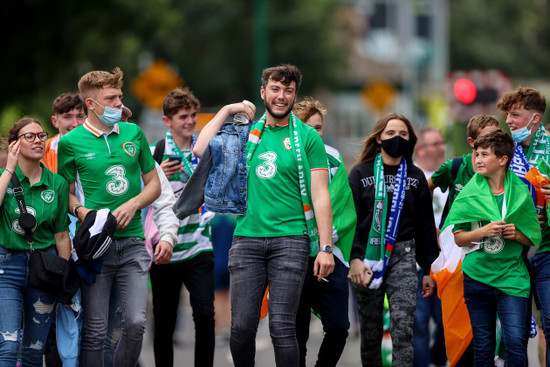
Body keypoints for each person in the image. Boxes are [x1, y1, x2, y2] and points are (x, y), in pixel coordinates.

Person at [193, 64, 334, 367]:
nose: (281, 96)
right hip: (246, 240)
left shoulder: (309, 138)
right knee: (242, 328)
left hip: (291, 241)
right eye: (275, 88)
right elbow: (201, 148)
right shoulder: (244, 134)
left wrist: (325, 248)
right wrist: (229, 109)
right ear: (263, 92)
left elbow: (321, 194)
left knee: (282, 327)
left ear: (294, 96)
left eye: (288, 90)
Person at [57, 67, 162, 367]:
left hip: (132, 244)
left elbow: (154, 184)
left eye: (119, 96)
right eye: (111, 98)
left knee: (135, 323)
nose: (119, 103)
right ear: (91, 104)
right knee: (96, 331)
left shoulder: (134, 133)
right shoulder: (71, 143)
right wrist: (81, 211)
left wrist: (134, 204)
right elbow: (65, 192)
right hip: (96, 247)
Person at [348, 113, 439, 367]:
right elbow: (349, 221)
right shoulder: (359, 173)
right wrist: (354, 258)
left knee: (403, 330)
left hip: (404, 256)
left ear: (410, 141)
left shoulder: (415, 176)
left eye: (403, 134)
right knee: (371, 330)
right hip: (367, 257)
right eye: (390, 134)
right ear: (378, 138)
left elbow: (424, 225)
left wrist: (429, 268)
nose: (396, 139)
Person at [445, 130, 541, 366]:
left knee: (516, 343)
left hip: (512, 278)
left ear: (503, 160)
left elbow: (532, 237)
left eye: (484, 154)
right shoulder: (469, 192)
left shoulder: (520, 191)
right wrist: (482, 232)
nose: (477, 159)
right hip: (477, 278)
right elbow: (459, 238)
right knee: (483, 345)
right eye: (476, 154)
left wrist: (516, 234)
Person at [148, 87, 215, 367]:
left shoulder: (206, 150)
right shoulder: (154, 153)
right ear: (167, 121)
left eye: (193, 115)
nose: (189, 121)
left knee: (204, 315)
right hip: (166, 249)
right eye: (182, 116)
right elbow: (139, 199)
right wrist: (158, 176)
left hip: (200, 245)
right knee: (164, 319)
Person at [428, 114, 500, 366]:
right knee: (458, 317)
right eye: (485, 137)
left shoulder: (505, 167)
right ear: (471, 142)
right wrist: (431, 228)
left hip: (492, 253)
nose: (492, 142)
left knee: (487, 322)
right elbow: (425, 189)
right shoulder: (455, 167)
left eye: (496, 135)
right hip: (455, 251)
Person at [0, 117, 71, 366]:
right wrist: (9, 168)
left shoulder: (58, 184)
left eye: (41, 135)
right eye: (29, 136)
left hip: (44, 268)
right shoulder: (3, 177)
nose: (38, 140)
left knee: (34, 350)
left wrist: (64, 278)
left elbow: (62, 235)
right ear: (15, 144)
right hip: (7, 267)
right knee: (8, 347)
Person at [292, 97, 356, 367]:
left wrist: (323, 243)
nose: (315, 133)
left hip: (330, 253)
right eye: (309, 127)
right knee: (296, 331)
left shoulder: (333, 157)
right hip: (293, 253)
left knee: (339, 327)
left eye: (319, 127)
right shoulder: (286, 158)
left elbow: (340, 205)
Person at [497, 87, 550, 367]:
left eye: (515, 115)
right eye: (507, 115)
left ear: (535, 118)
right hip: (510, 253)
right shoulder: (503, 150)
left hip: (546, 251)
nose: (509, 121)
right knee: (512, 336)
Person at [412, 127, 447, 367]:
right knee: (419, 323)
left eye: (442, 142)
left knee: (447, 321)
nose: (442, 147)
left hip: (445, 264)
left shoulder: (449, 177)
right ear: (421, 149)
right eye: (436, 144)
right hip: (416, 263)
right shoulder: (411, 176)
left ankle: (437, 359)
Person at [42, 93, 87, 173]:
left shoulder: (100, 145)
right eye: (67, 117)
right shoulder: (45, 150)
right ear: (55, 121)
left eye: (80, 117)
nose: (75, 124)